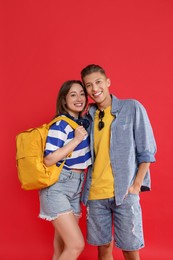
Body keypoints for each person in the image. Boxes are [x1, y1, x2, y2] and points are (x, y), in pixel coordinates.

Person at [80, 64, 156, 260]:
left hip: (124, 192)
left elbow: (147, 150)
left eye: (98, 82)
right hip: (96, 194)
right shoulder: (88, 117)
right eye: (88, 85)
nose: (94, 88)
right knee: (103, 249)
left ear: (107, 82)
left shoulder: (132, 108)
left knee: (130, 249)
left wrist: (137, 185)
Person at [39, 80, 92, 260]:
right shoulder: (60, 125)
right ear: (64, 100)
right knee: (76, 244)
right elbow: (49, 159)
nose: (79, 98)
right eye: (73, 94)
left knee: (61, 245)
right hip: (58, 186)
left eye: (82, 94)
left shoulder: (82, 124)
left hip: (77, 186)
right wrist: (76, 140)